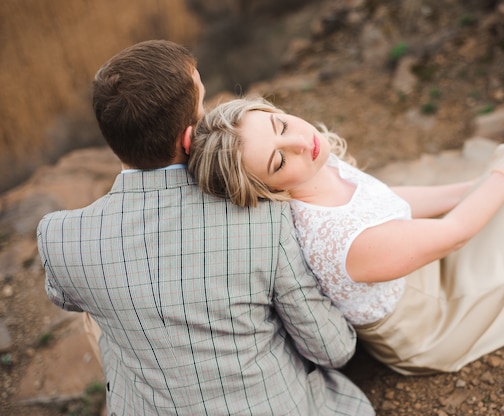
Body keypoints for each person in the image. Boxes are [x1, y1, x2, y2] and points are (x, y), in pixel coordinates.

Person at [36, 41, 374, 415]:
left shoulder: (61, 236)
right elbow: (332, 348)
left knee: (103, 304)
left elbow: (64, 295)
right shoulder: (260, 215)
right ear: (188, 139)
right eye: (203, 102)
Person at [188, 96, 504, 375]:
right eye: (280, 161)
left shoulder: (317, 166)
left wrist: (487, 177)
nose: (302, 144)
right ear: (268, 188)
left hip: (429, 267)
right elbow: (454, 233)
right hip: (435, 317)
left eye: (281, 125)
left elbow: (388, 200)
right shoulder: (340, 240)